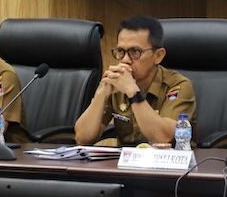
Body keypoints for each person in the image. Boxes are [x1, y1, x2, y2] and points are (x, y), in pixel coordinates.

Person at [74, 15, 197, 146]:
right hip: (125, 158)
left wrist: (133, 93)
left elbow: (163, 137)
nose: (125, 60)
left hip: (168, 158)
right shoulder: (116, 85)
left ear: (158, 56)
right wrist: (101, 93)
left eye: (135, 52)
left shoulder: (178, 85)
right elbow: (82, 138)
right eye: (121, 51)